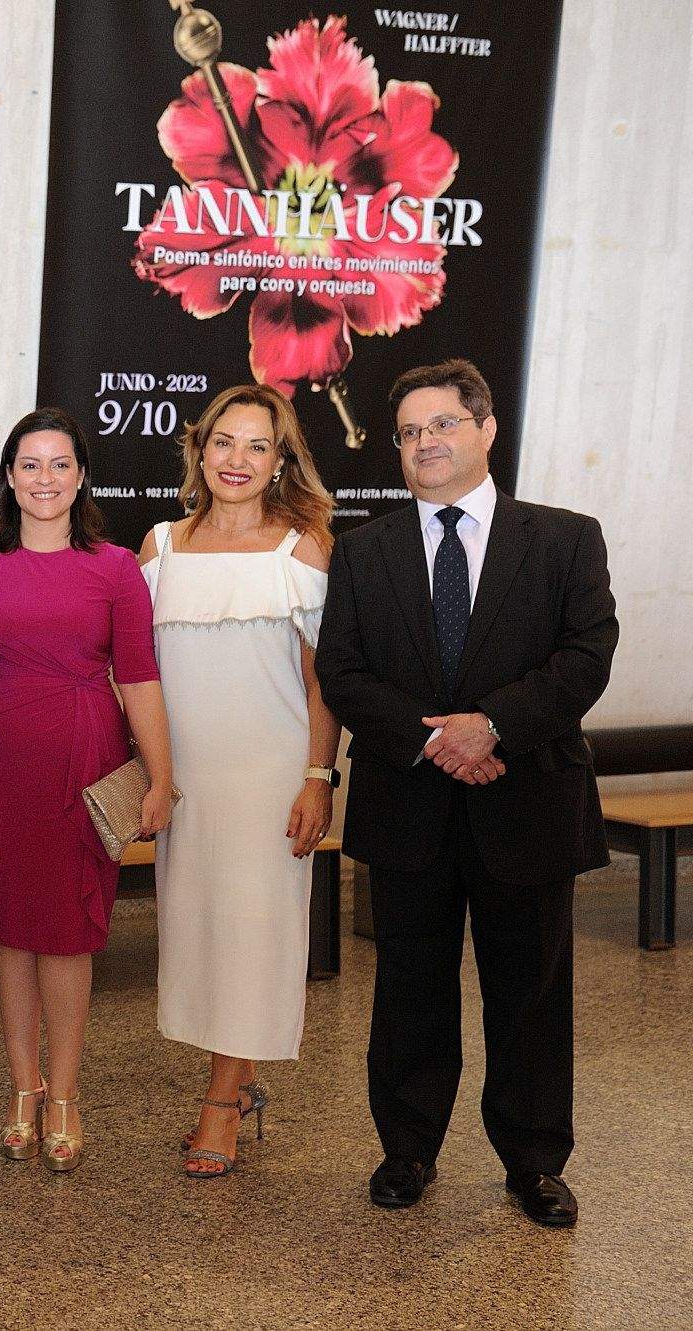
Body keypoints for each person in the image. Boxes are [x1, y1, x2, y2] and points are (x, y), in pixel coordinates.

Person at [316, 358, 616, 1227]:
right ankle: (407, 1149)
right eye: (409, 432)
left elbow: (586, 654)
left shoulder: (564, 538)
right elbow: (344, 671)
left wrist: (493, 726)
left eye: (442, 424)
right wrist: (439, 740)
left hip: (528, 802)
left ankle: (534, 1162)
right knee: (410, 985)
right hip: (411, 805)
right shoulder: (364, 549)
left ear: (486, 429)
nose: (424, 443)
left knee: (531, 989)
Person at [0, 407, 172, 1174]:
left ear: (81, 476)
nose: (44, 478)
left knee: (69, 931)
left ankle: (65, 1092)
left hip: (85, 760)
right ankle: (22, 1089)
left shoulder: (113, 568)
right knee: (11, 928)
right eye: (29, 464)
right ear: (9, 475)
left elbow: (138, 676)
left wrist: (161, 777)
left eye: (59, 464)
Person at [135, 385, 337, 1178]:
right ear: (200, 448)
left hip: (270, 773)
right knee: (201, 928)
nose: (238, 460)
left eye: (257, 446)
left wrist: (318, 777)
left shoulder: (304, 548)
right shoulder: (159, 547)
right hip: (184, 778)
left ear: (281, 459)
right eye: (225, 442)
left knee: (254, 932)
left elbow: (325, 682)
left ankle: (220, 1101)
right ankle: (240, 1072)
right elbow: (136, 675)